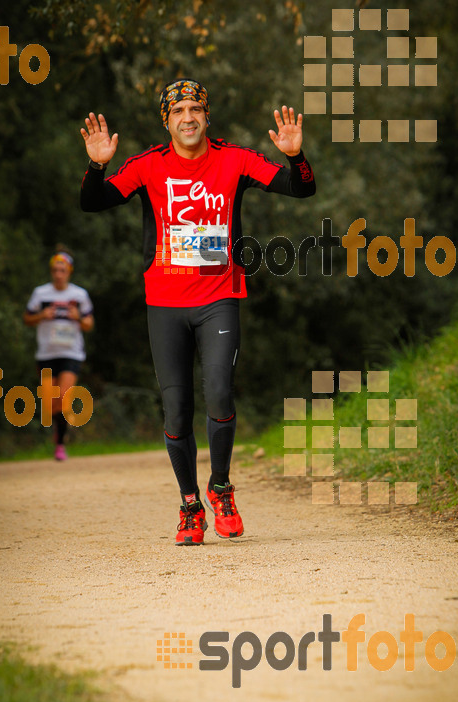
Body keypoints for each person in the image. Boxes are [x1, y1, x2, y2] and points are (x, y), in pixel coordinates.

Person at [79, 78, 315, 545]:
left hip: (218, 298)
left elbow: (301, 188)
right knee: (176, 410)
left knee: (221, 395)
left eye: (195, 109)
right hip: (164, 304)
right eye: (178, 110)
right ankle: (190, 505)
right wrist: (96, 165)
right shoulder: (148, 166)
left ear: (207, 117)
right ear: (166, 120)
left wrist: (294, 155)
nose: (187, 117)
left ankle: (221, 489)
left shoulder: (235, 159)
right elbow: (93, 202)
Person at [23, 247, 94, 460]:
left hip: (71, 353)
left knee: (63, 398)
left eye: (62, 270)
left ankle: (60, 444)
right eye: (55, 270)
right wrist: (41, 315)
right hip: (46, 353)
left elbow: (89, 324)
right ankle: (58, 432)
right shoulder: (41, 293)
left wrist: (78, 317)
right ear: (51, 271)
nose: (58, 274)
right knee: (49, 402)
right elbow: (27, 319)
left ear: (69, 271)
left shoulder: (79, 295)